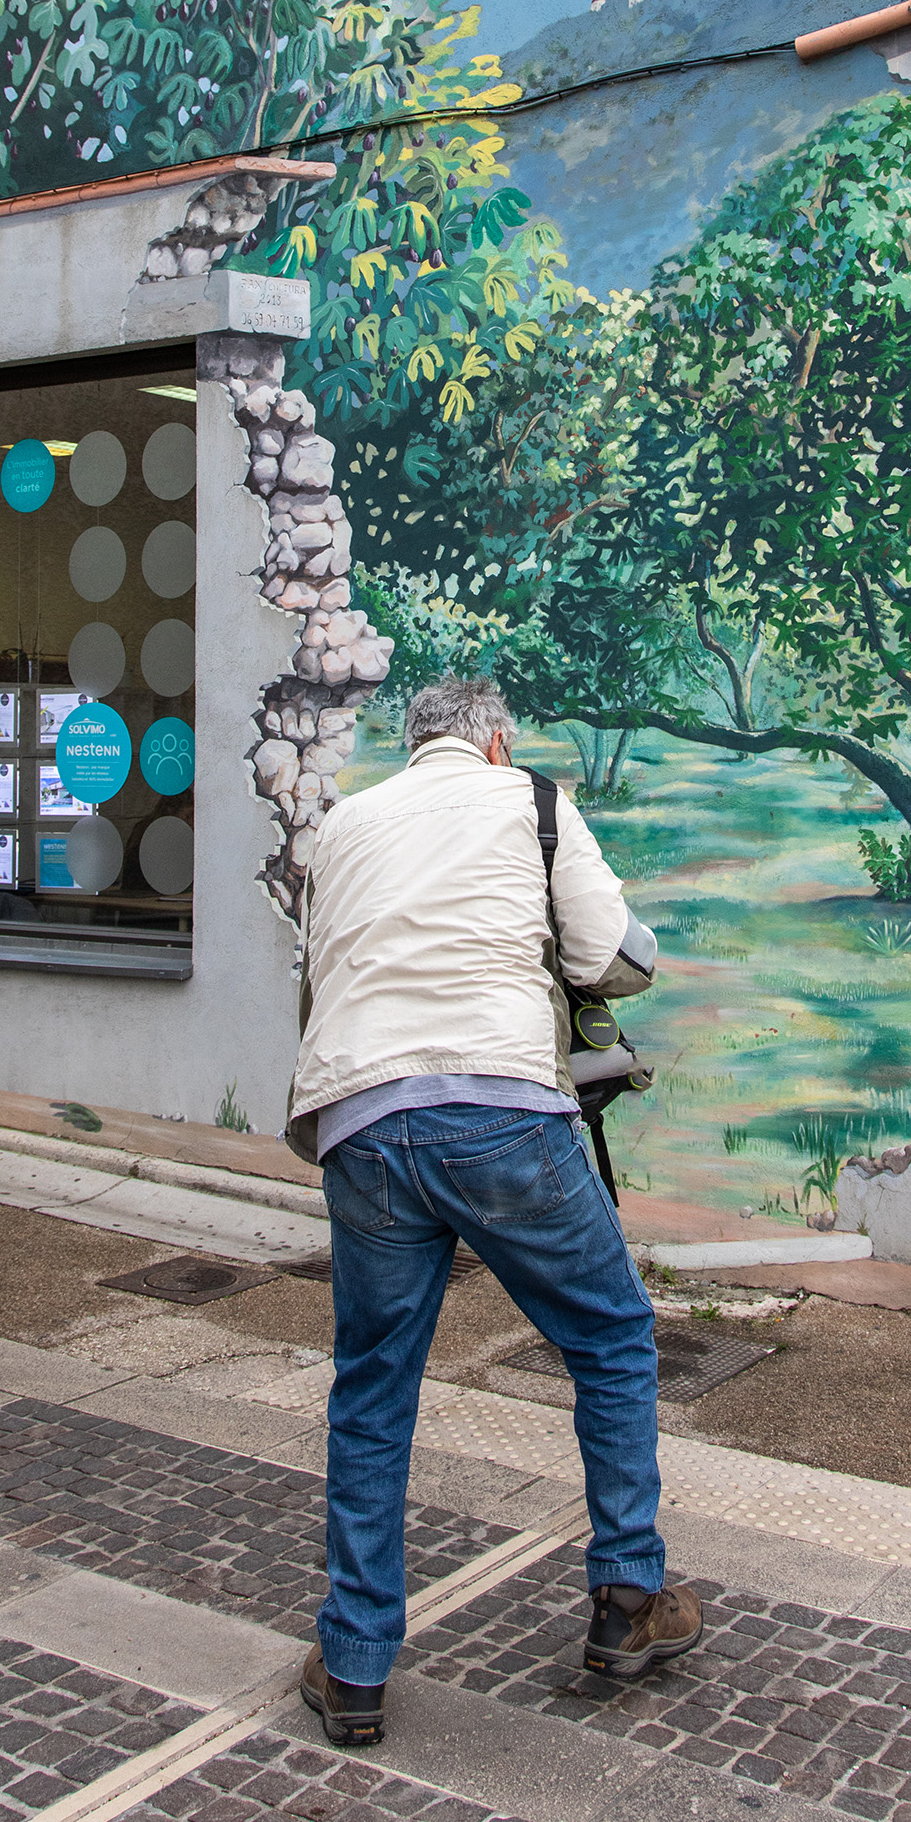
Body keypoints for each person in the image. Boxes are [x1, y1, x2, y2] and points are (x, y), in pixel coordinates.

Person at [285, 676, 700, 1749]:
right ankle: (625, 1600)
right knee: (609, 1337)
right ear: (496, 742)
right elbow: (613, 958)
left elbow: (322, 976)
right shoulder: (533, 804)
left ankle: (355, 1665)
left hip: (363, 1120)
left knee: (372, 1386)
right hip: (500, 1111)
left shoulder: (342, 824)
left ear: (412, 743)